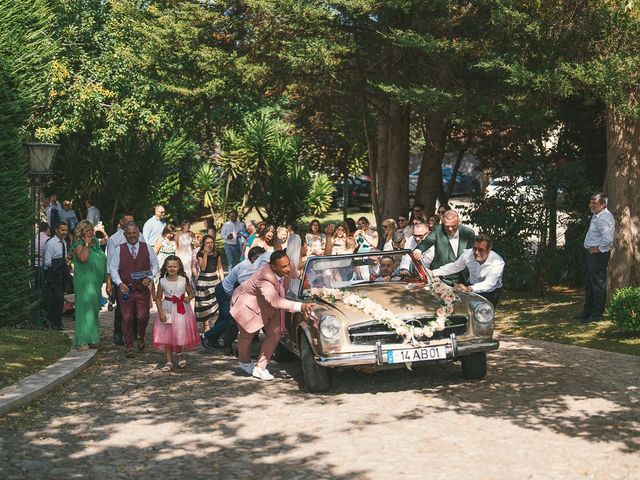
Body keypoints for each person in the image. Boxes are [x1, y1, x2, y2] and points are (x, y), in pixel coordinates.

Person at [230, 250, 316, 380]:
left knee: (276, 333)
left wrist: (312, 281)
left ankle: (260, 367)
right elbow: (275, 301)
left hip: (270, 305)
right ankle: (245, 362)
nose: (288, 268)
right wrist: (301, 306)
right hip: (248, 305)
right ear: (273, 266)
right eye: (284, 267)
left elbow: (296, 274)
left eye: (288, 264)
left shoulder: (287, 266)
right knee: (247, 335)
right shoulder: (265, 278)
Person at [201, 246, 267, 353]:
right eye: (261, 258)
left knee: (223, 318)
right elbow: (243, 286)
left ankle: (213, 339)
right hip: (224, 292)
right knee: (229, 319)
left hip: (228, 292)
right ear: (254, 258)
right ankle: (206, 336)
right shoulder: (246, 267)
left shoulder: (253, 265)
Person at [109, 222, 159, 358]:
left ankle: (140, 335)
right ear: (125, 235)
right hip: (126, 290)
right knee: (126, 317)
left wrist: (150, 277)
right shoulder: (119, 249)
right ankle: (129, 346)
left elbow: (155, 265)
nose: (132, 235)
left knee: (143, 316)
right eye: (129, 233)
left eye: (134, 233)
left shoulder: (147, 248)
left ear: (138, 234)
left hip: (142, 289)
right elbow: (113, 268)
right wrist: (119, 283)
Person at [429, 233, 505, 307]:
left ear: (489, 250)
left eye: (481, 250)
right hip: (471, 286)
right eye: (474, 249)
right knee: (467, 311)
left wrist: (468, 288)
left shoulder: (498, 262)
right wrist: (433, 273)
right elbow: (454, 267)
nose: (476, 252)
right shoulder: (467, 254)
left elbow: (489, 283)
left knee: (484, 314)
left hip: (490, 292)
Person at [153, 256, 200, 371]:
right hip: (168, 309)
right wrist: (160, 312)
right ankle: (168, 361)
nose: (172, 269)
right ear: (166, 267)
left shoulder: (183, 279)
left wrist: (188, 298)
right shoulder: (163, 281)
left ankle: (180, 354)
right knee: (167, 336)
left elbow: (191, 293)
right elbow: (158, 298)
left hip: (181, 309)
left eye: (175, 266)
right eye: (169, 266)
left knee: (179, 333)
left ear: (179, 267)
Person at [577, 193, 616, 323]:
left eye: (594, 203)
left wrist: (598, 249)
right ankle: (587, 312)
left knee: (598, 284)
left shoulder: (604, 218)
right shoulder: (596, 215)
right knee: (589, 283)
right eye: (591, 202)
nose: (591, 205)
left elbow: (608, 239)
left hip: (598, 255)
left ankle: (597, 315)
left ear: (603, 204)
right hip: (591, 254)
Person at [413, 210, 476, 285]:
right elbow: (427, 241)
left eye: (453, 226)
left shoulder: (468, 233)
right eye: (447, 226)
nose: (450, 229)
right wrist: (418, 250)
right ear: (442, 222)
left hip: (461, 278)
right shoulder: (437, 230)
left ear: (458, 222)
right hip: (440, 278)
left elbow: (471, 255)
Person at [71, 220, 107, 349]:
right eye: (87, 230)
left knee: (93, 309)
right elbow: (83, 258)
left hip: (95, 282)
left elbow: (106, 240)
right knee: (84, 309)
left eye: (91, 230)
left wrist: (101, 232)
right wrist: (86, 242)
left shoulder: (95, 243)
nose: (90, 232)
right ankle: (82, 340)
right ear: (81, 232)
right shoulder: (78, 244)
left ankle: (92, 338)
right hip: (84, 282)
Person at [106, 212, 135, 345]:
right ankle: (118, 333)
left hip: (135, 276)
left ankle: (133, 332)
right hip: (120, 276)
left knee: (134, 304)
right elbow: (110, 260)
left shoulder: (138, 236)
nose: (130, 224)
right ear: (121, 222)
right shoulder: (114, 239)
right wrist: (109, 280)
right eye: (128, 221)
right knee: (121, 306)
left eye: (132, 221)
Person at [43, 222, 70, 330]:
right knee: (56, 299)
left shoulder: (63, 242)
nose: (65, 233)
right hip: (53, 276)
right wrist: (61, 261)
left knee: (59, 299)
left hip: (61, 275)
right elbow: (47, 262)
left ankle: (56, 322)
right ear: (56, 230)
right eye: (62, 230)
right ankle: (54, 323)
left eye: (66, 230)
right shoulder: (51, 243)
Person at [195, 234, 224, 331]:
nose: (210, 245)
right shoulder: (200, 254)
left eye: (211, 242)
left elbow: (219, 268)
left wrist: (222, 280)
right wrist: (205, 254)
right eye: (207, 243)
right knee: (204, 303)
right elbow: (203, 268)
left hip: (214, 280)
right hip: (204, 281)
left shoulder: (217, 253)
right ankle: (206, 326)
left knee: (216, 303)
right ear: (203, 244)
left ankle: (216, 325)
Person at [34, 222, 50, 287]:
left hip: (31, 265)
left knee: (35, 287)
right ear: (47, 229)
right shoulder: (48, 240)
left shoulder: (33, 239)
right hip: (42, 267)